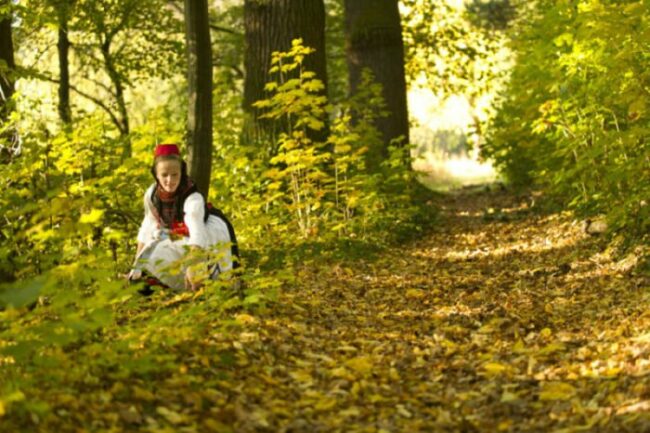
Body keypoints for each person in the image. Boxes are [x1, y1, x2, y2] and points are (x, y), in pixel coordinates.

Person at [127, 143, 235, 291]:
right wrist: (135, 268)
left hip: (205, 233)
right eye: (164, 175)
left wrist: (193, 265)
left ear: (181, 172)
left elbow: (198, 233)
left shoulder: (192, 197)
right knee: (154, 245)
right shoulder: (152, 195)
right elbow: (147, 228)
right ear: (156, 174)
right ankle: (166, 285)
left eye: (174, 174)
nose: (169, 180)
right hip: (177, 234)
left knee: (207, 276)